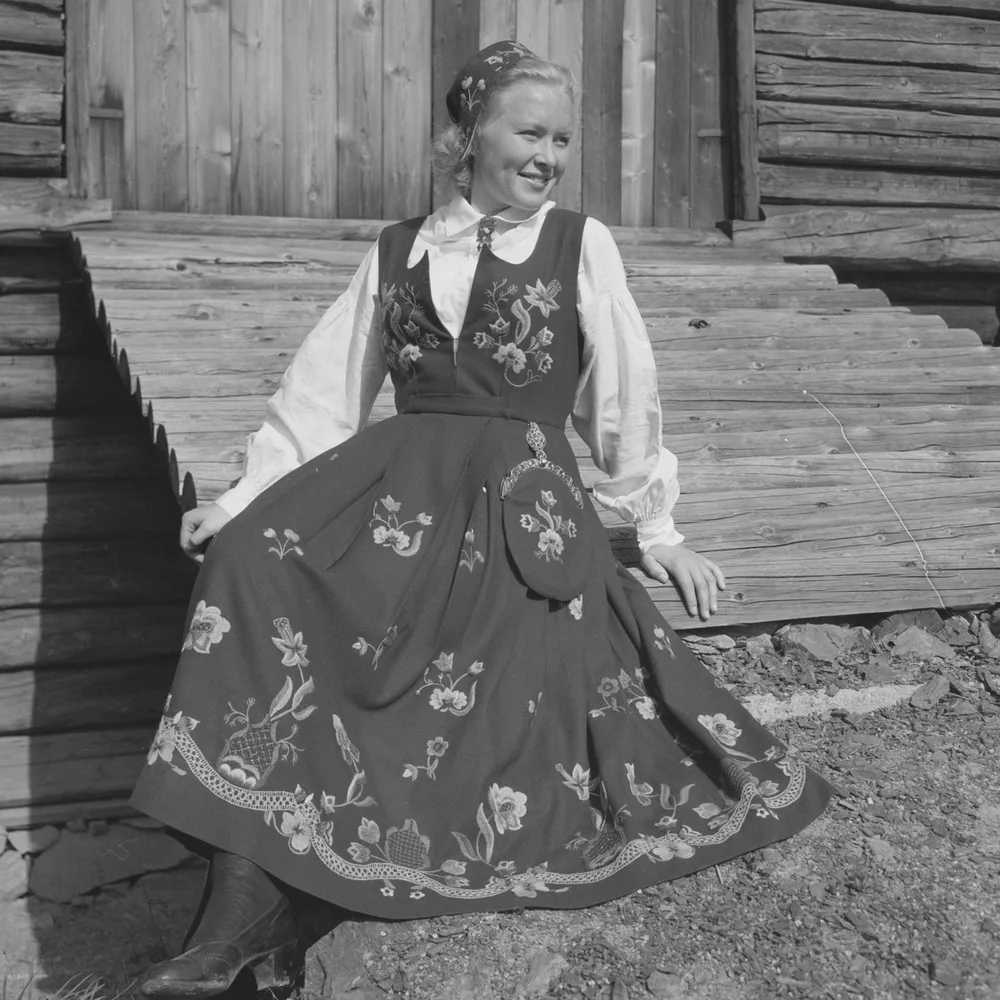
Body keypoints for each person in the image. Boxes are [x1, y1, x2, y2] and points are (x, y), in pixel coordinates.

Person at [133, 42, 833, 998]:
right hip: (399, 489)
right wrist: (239, 499)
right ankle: (246, 905)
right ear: (469, 137)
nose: (547, 155)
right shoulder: (399, 249)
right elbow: (324, 393)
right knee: (253, 562)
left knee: (477, 671)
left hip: (520, 500)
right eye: (528, 132)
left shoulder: (578, 243)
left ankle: (253, 923)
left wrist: (655, 527)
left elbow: (621, 391)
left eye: (560, 138)